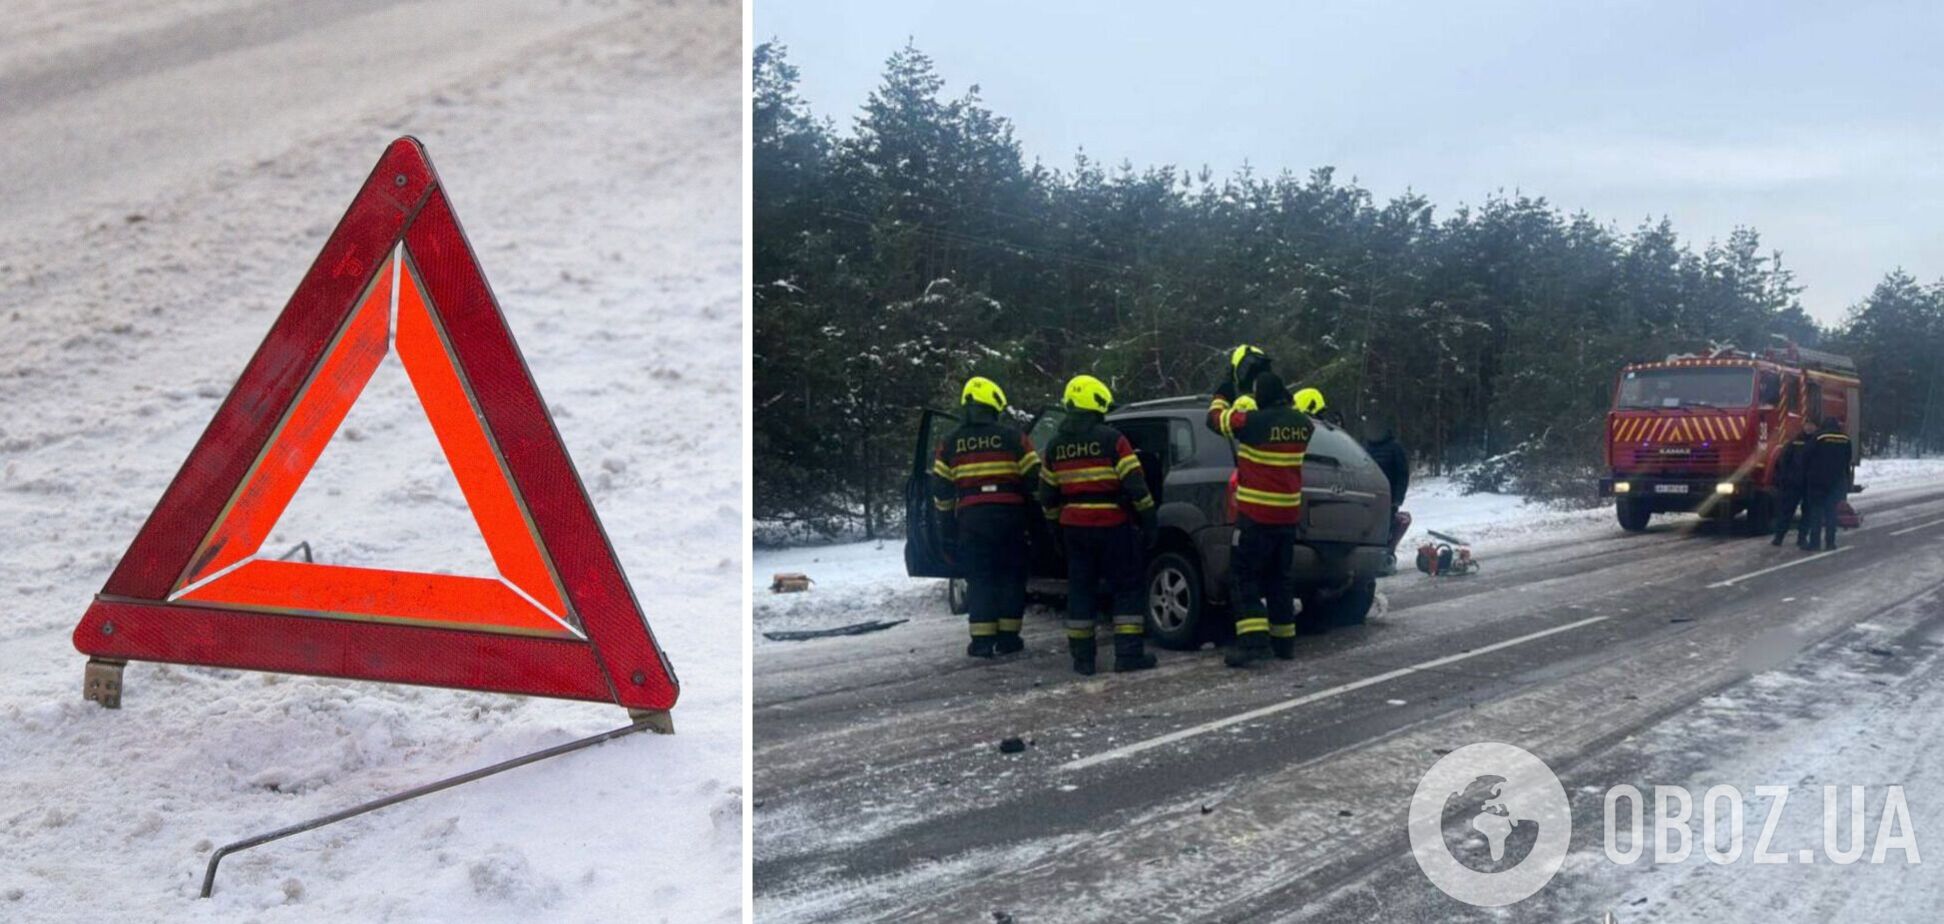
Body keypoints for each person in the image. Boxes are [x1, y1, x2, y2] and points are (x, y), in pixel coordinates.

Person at [1036, 374, 1158, 675]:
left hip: (1074, 529)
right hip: (1113, 524)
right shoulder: (1112, 439)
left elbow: (1047, 495)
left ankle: (1083, 659)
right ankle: (1128, 656)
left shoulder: (1055, 446)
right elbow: (1136, 485)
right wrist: (1149, 519)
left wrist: (1054, 529)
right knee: (1126, 588)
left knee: (1080, 591)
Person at [929, 376, 1039, 657]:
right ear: (993, 405)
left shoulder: (950, 443)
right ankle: (1008, 639)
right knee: (1011, 578)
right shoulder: (1014, 438)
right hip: (1010, 519)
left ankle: (980, 642)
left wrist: (947, 529)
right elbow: (1035, 479)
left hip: (971, 521)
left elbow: (941, 490)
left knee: (981, 579)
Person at [1209, 368, 1313, 666]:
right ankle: (1284, 644)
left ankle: (1253, 647)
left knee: (1243, 579)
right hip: (1286, 519)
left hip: (1255, 517)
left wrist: (1222, 394)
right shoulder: (1303, 425)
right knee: (1280, 580)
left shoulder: (1254, 422)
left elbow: (1215, 421)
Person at [1802, 415, 1853, 551]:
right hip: (1836, 482)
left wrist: (1808, 473)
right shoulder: (1845, 439)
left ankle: (1815, 543)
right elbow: (1847, 461)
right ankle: (1830, 542)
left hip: (1818, 481)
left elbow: (1806, 455)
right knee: (1831, 513)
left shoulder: (1819, 437)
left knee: (1816, 513)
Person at [1769, 424, 1812, 547]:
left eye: (1812, 425)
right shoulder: (1794, 441)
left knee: (1807, 512)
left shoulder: (1815, 442)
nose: (1809, 428)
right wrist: (1785, 477)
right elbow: (1784, 459)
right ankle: (1779, 537)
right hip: (1793, 483)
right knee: (1787, 511)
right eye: (1808, 425)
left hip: (1808, 483)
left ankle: (1802, 538)